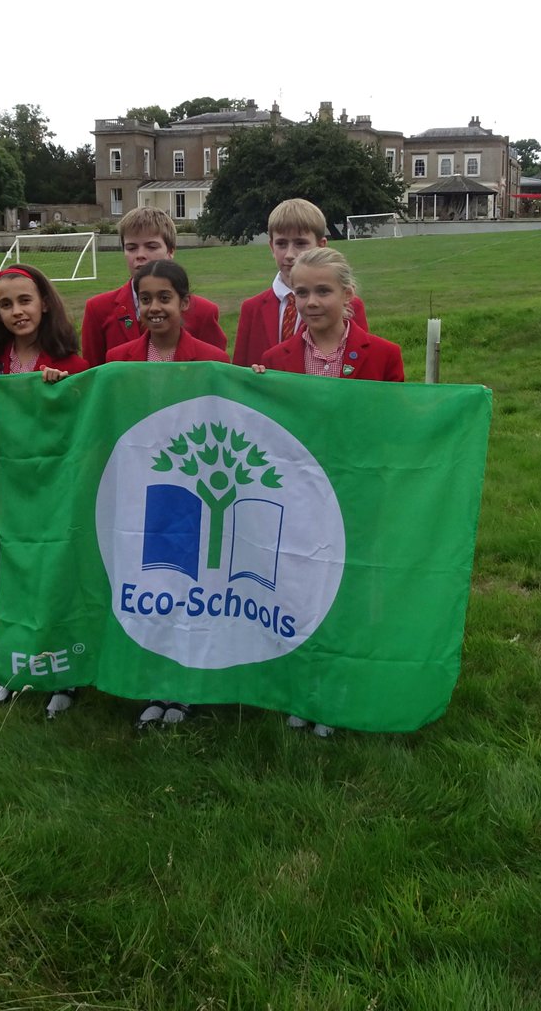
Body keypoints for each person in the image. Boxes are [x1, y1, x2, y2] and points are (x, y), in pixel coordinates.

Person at [256, 247, 404, 736]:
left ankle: (345, 687)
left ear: (348, 295)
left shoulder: (382, 354)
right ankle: (306, 685)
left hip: (356, 496)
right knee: (300, 589)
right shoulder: (275, 360)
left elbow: (391, 427)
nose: (312, 301)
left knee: (350, 590)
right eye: (302, 292)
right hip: (299, 500)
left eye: (323, 291)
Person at [0, 263, 87, 718]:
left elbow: (81, 429)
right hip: (3, 498)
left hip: (51, 499)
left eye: (25, 300)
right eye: (6, 304)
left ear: (44, 303)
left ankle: (63, 675)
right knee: (8, 586)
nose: (17, 311)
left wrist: (62, 391)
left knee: (52, 584)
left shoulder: (69, 363)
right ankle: (9, 670)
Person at [105, 258, 230, 725]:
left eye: (164, 298)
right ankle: (154, 680)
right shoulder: (117, 361)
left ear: (185, 302)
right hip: (140, 494)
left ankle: (186, 685)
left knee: (189, 586)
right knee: (149, 586)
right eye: (145, 299)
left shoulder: (213, 361)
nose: (154, 307)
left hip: (193, 495)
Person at [80, 206, 226, 366]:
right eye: (131, 248)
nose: (140, 255)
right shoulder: (98, 309)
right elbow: (93, 375)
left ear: (171, 251)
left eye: (151, 247)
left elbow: (216, 372)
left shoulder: (203, 312)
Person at [232, 198, 368, 367]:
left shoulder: (347, 304)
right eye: (281, 244)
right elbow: (240, 371)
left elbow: (361, 362)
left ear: (321, 246)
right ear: (271, 247)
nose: (290, 254)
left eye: (300, 243)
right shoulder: (252, 308)